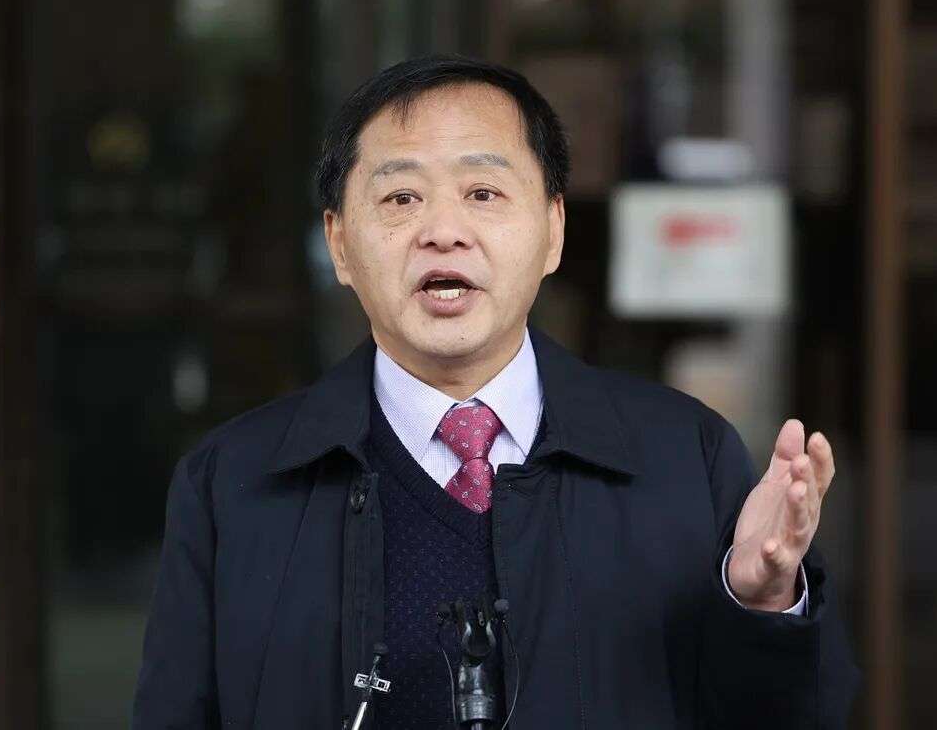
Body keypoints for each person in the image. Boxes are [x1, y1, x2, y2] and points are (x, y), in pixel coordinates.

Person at [133, 54, 860, 729]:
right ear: (340, 244)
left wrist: (763, 604)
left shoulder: (687, 458)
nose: (443, 232)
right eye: (401, 197)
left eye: (483, 193)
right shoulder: (231, 484)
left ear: (553, 231)